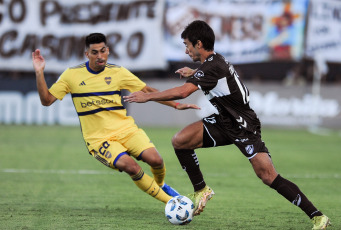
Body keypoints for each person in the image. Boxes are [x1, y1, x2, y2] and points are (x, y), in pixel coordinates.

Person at [124, 20, 331, 229]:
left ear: (198, 44)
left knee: (268, 176)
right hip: (224, 121)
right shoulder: (212, 63)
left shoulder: (212, 67)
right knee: (180, 141)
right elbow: (207, 76)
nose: (186, 50)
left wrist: (148, 97)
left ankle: (317, 216)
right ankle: (201, 190)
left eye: (187, 45)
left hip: (243, 126)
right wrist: (194, 73)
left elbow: (183, 92)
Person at [32, 33, 200, 205]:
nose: (100, 56)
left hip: (126, 130)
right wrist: (39, 73)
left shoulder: (118, 72)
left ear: (108, 50)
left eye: (103, 51)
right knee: (131, 167)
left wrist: (176, 105)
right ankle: (173, 203)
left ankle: (160, 185)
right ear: (87, 55)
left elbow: (148, 91)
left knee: (156, 160)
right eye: (95, 52)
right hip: (99, 139)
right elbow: (46, 100)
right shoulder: (71, 75)